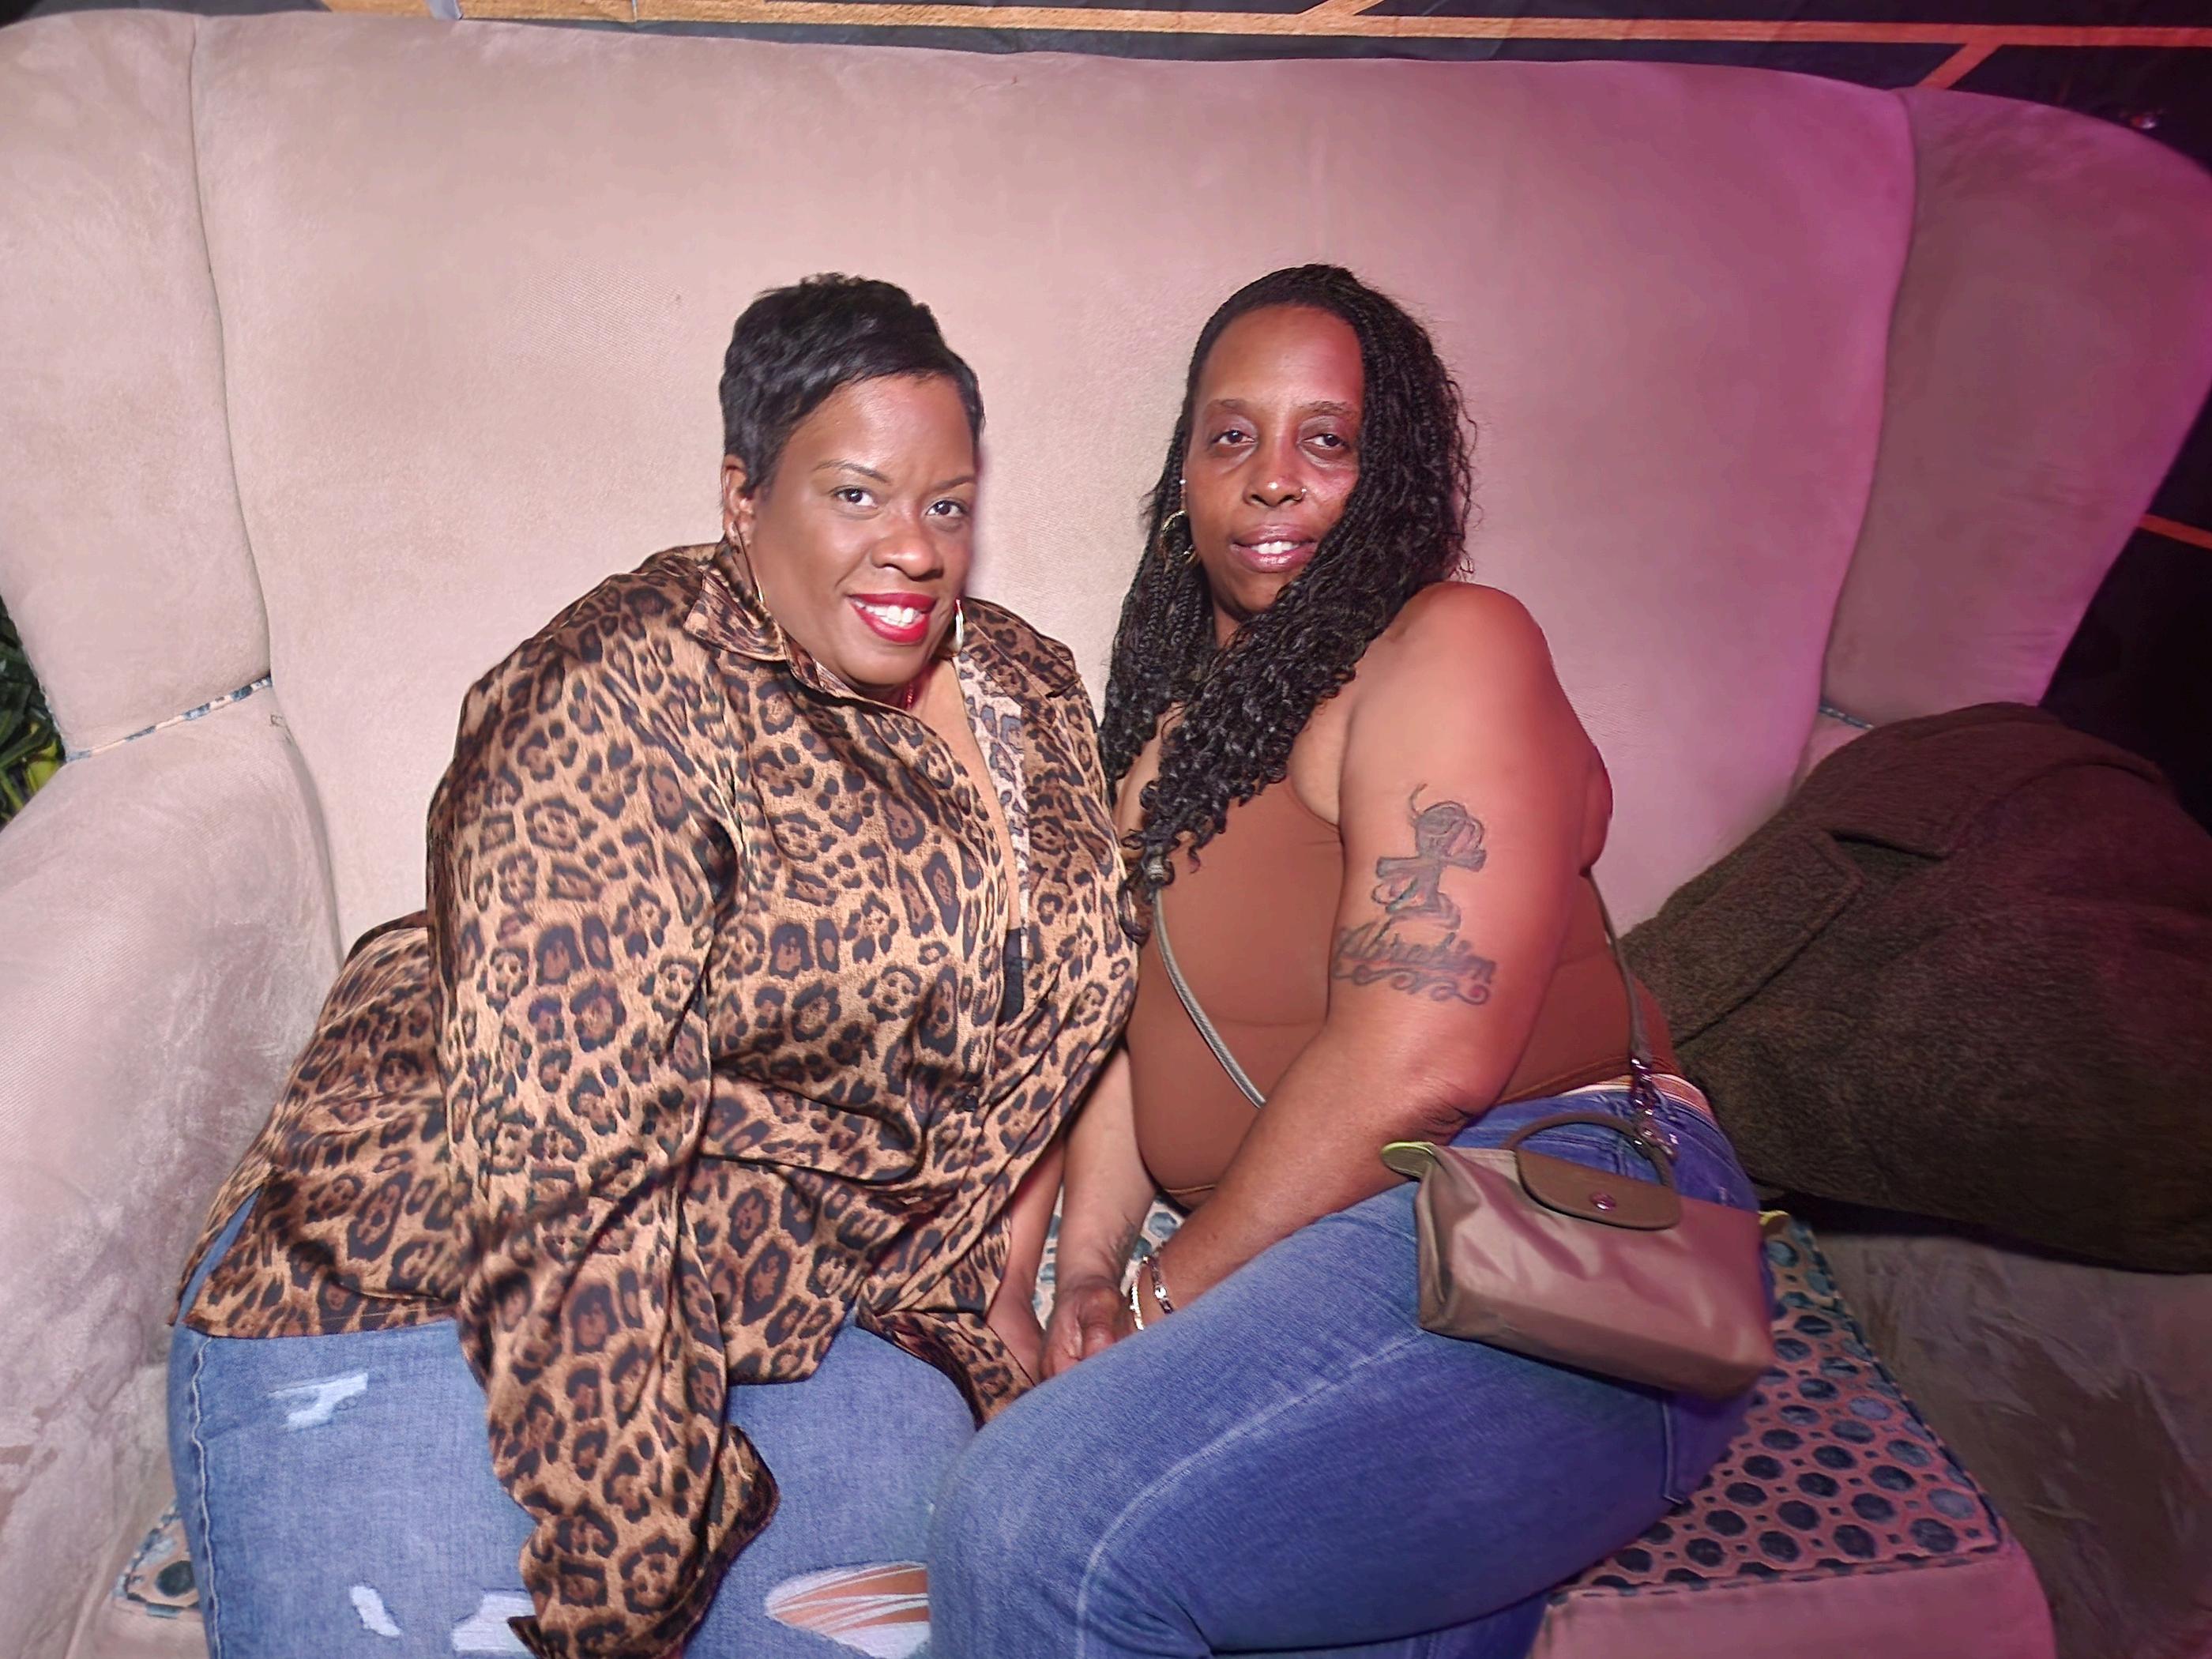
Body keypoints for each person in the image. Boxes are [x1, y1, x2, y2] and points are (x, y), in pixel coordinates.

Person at [166, 275, 1135, 1659]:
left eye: (947, 504)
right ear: (743, 495)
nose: (913, 549)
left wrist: (1000, 1291)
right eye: (855, 495)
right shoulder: (615, 693)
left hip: (795, 1309)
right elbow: (567, 1169)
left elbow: (1050, 1022)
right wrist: (623, 1566)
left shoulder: (1028, 686)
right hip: (426, 1272)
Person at [927, 265, 1762, 1658]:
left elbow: (1422, 1059)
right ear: (1182, 480)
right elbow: (1136, 1042)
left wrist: (1162, 1298)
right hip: (1305, 1260)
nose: (1271, 477)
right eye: (1231, 436)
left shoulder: (1450, 647)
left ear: (1395, 476)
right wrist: (1079, 1278)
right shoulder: (1160, 747)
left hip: (1543, 1209)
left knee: (1033, 1525)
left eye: (1328, 439)